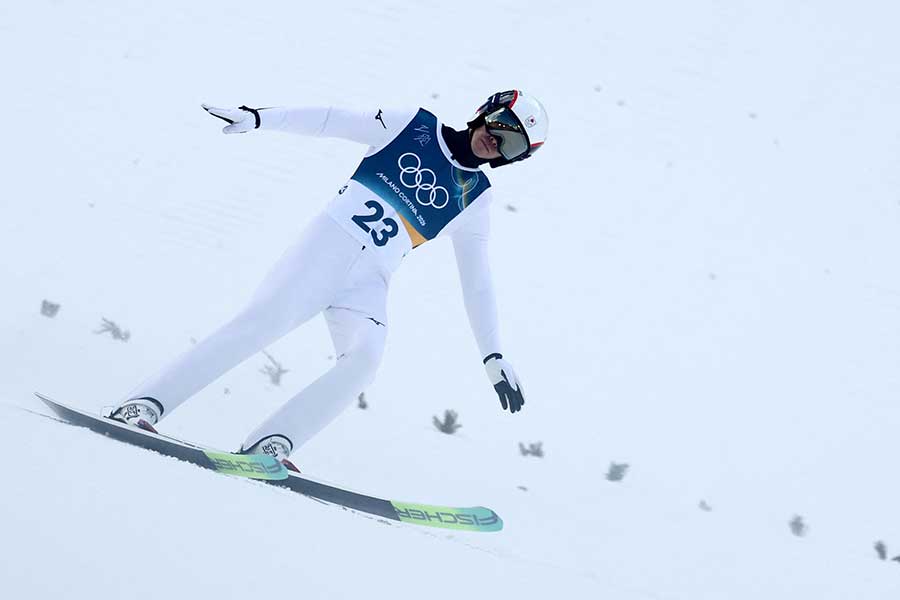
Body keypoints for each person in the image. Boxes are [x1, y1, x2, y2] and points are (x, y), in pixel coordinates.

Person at [110, 89, 550, 471]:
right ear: (486, 110)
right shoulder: (413, 126)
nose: (497, 140)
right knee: (258, 326)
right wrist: (261, 118)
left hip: (369, 283)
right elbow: (330, 120)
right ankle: (144, 404)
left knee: (364, 361)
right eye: (501, 124)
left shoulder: (475, 199)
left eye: (512, 145)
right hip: (324, 251)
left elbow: (477, 281)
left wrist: (492, 353)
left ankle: (270, 444)